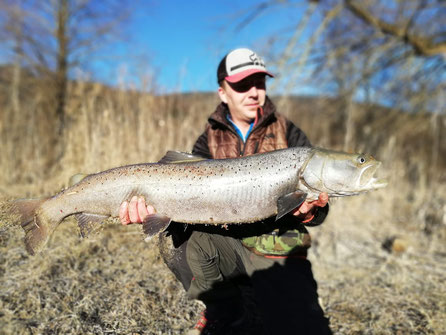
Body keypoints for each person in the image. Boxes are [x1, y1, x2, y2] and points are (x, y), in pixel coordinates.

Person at [119, 48, 332, 335]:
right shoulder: (206, 140)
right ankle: (224, 308)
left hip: (277, 250)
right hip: (227, 245)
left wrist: (310, 213)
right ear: (223, 92)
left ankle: (263, 292)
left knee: (305, 328)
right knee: (174, 240)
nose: (254, 92)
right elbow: (187, 211)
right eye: (243, 85)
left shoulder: (291, 135)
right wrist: (152, 210)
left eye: (260, 83)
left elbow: (321, 210)